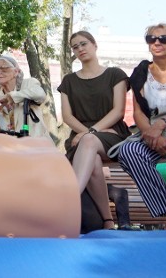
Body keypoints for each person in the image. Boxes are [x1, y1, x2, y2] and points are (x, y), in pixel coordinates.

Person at [115, 23, 166, 218]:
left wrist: (161, 125)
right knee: (129, 150)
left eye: (163, 38)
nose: (156, 42)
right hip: (150, 129)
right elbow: (137, 111)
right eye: (151, 38)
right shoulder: (141, 72)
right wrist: (149, 133)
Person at [58, 31, 130, 229]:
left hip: (112, 133)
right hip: (79, 137)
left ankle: (70, 198)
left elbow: (118, 111)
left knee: (89, 141)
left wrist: (91, 132)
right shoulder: (68, 81)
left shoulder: (115, 74)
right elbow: (67, 117)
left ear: (94, 45)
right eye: (75, 47)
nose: (80, 49)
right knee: (93, 159)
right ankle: (107, 220)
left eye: (84, 44)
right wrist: (86, 133)